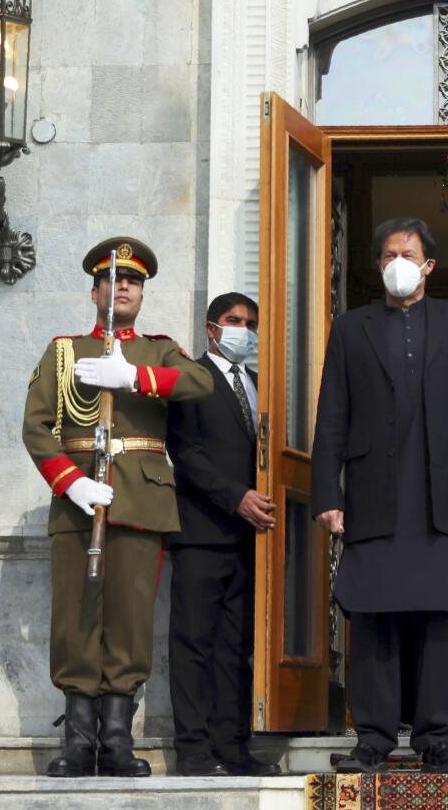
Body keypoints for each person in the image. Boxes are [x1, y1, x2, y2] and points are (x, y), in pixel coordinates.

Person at [310, 216, 448, 774]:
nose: (398, 263)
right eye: (388, 254)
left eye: (408, 254)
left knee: (442, 619)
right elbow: (332, 417)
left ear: (428, 265)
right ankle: (373, 738)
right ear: (378, 265)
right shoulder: (351, 328)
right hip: (372, 496)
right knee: (373, 618)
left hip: (443, 498)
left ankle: (437, 738)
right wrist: (327, 493)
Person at [22, 237, 214, 778]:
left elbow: (200, 383)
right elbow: (36, 426)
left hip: (141, 500)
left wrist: (134, 377)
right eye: (113, 280)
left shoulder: (158, 350)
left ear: (142, 295)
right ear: (94, 291)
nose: (122, 287)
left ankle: (117, 743)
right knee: (76, 621)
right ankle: (79, 743)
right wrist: (71, 483)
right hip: (81, 501)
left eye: (133, 281)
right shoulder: (65, 351)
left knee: (129, 624)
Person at [165, 292, 282, 777]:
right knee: (194, 642)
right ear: (212, 328)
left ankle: (232, 746)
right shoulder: (191, 379)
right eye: (235, 321)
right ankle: (192, 750)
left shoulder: (260, 385)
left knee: (237, 648)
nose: (245, 330)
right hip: (200, 531)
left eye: (251, 323)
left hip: (250, 539)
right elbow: (186, 453)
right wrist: (236, 496)